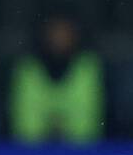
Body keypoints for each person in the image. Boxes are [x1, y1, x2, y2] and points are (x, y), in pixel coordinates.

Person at [8, 12, 105, 144]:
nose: (59, 39)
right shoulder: (28, 68)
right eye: (55, 33)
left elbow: (86, 129)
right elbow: (26, 130)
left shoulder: (87, 67)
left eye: (65, 33)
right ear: (44, 35)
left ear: (75, 35)